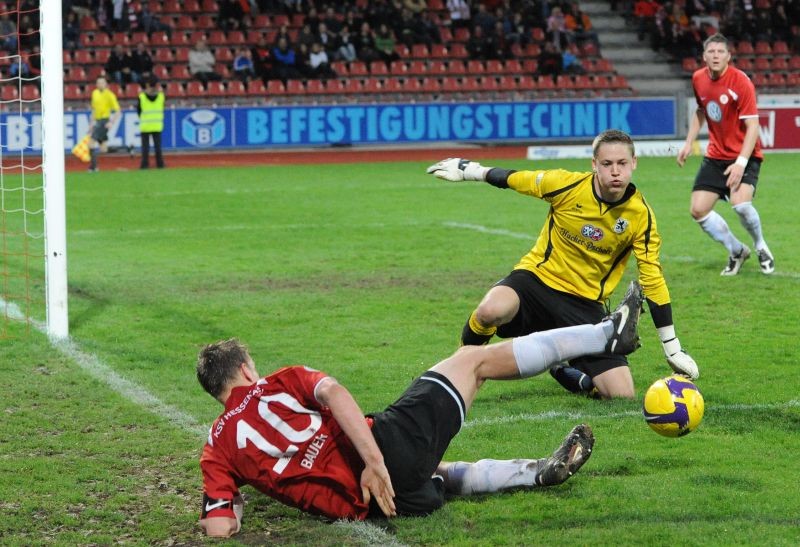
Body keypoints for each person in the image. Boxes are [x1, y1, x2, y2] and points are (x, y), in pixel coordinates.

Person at [196, 285, 645, 536]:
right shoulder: (278, 381)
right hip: (387, 452)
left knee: (442, 475)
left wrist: (235, 510)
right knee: (473, 360)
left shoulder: (216, 449)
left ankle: (536, 471)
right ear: (244, 368)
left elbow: (219, 526)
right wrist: (372, 460)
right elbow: (336, 395)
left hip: (385, 507)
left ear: (216, 391)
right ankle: (607, 336)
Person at [426, 129, 699, 399]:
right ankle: (454, 372)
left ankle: (563, 369)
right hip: (535, 282)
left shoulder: (641, 217)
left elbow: (652, 279)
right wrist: (468, 169)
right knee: (490, 310)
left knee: (621, 393)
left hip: (585, 304)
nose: (615, 171)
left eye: (622, 163)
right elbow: (515, 179)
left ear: (634, 163)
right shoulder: (566, 184)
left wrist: (671, 347)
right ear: (594, 165)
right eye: (607, 164)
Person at [676, 33, 774, 276]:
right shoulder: (698, 78)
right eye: (711, 52)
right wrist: (689, 142)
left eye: (721, 52)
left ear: (729, 56)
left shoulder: (741, 82)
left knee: (741, 206)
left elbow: (753, 127)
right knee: (698, 210)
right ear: (704, 56)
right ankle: (737, 251)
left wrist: (740, 163)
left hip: (745, 154)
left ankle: (760, 245)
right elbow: (701, 111)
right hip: (716, 155)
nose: (716, 55)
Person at [87, 76, 121, 173]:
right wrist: (91, 123)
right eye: (98, 83)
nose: (100, 84)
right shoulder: (94, 93)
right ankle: (127, 148)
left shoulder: (110, 95)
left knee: (91, 143)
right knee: (103, 148)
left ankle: (93, 167)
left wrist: (111, 122)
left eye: (102, 82)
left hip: (104, 121)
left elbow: (118, 111)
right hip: (97, 121)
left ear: (106, 84)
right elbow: (94, 109)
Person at [136, 77, 165, 170]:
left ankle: (144, 165)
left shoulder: (142, 97)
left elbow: (138, 110)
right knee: (158, 147)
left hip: (145, 125)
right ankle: (160, 164)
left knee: (145, 148)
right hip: (157, 125)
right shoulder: (161, 96)